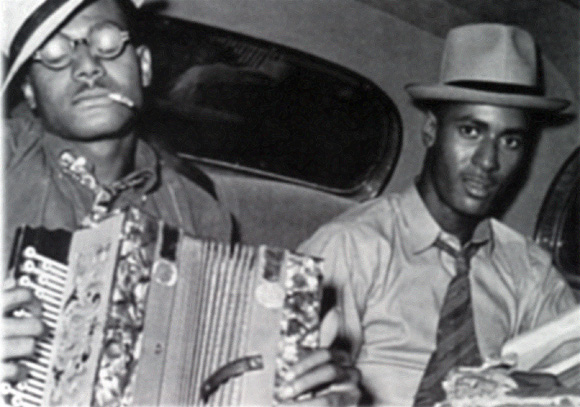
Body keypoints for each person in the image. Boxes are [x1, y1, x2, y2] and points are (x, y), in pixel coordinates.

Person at [1, 0, 359, 405]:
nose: (87, 66)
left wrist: (308, 392)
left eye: (105, 41)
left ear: (145, 67)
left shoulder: (196, 209)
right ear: (28, 90)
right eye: (54, 52)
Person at [299, 23, 579, 406]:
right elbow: (299, 385)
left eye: (510, 140)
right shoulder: (352, 245)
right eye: (470, 131)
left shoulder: (527, 270)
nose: (488, 161)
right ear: (431, 129)